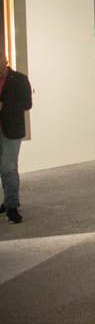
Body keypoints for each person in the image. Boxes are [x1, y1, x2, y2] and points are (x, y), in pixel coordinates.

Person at [0, 51, 33, 224]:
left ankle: (12, 207)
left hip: (12, 131)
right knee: (3, 168)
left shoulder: (19, 79)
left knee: (9, 168)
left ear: (5, 60)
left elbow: (27, 103)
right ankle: (8, 201)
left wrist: (4, 106)